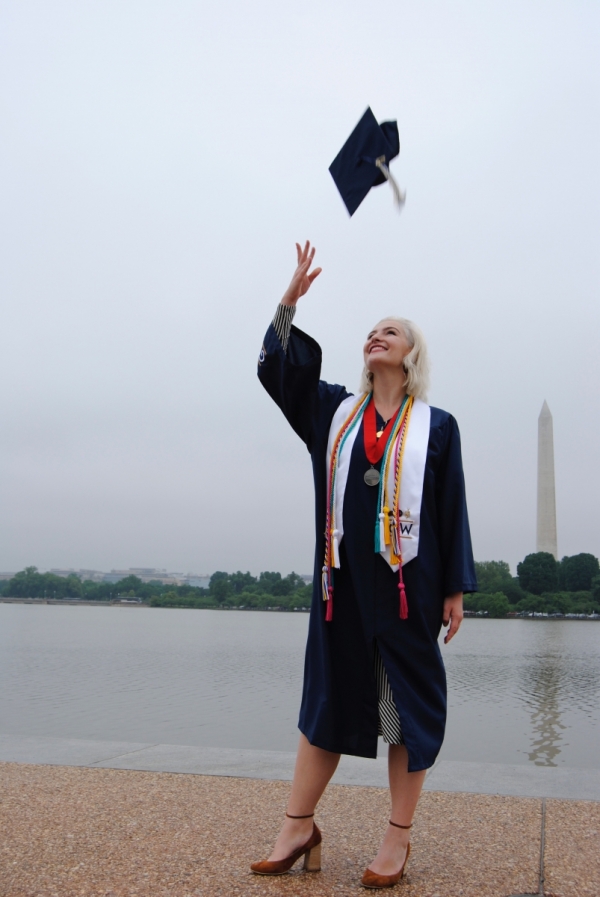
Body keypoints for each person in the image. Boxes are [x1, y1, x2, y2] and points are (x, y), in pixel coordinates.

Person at [251, 241, 477, 889]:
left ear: (411, 355)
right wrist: (288, 303)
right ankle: (297, 826)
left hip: (409, 586)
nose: (378, 335)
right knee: (326, 699)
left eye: (392, 332)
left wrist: (456, 587)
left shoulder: (437, 426)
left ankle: (396, 838)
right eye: (373, 330)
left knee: (406, 706)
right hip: (342, 584)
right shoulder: (334, 412)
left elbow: (451, 507)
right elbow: (279, 374)